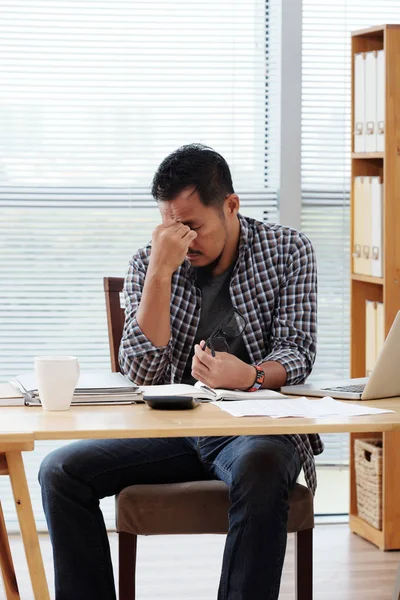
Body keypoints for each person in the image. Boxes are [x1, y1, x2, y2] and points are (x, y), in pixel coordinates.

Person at [39, 143, 323, 600]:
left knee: (263, 464)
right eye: (171, 226)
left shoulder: (288, 250)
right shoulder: (152, 261)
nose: (183, 240)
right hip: (174, 426)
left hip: (258, 428)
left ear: (231, 206)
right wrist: (159, 273)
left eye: (192, 226)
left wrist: (247, 376)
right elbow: (141, 370)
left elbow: (298, 351)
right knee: (60, 471)